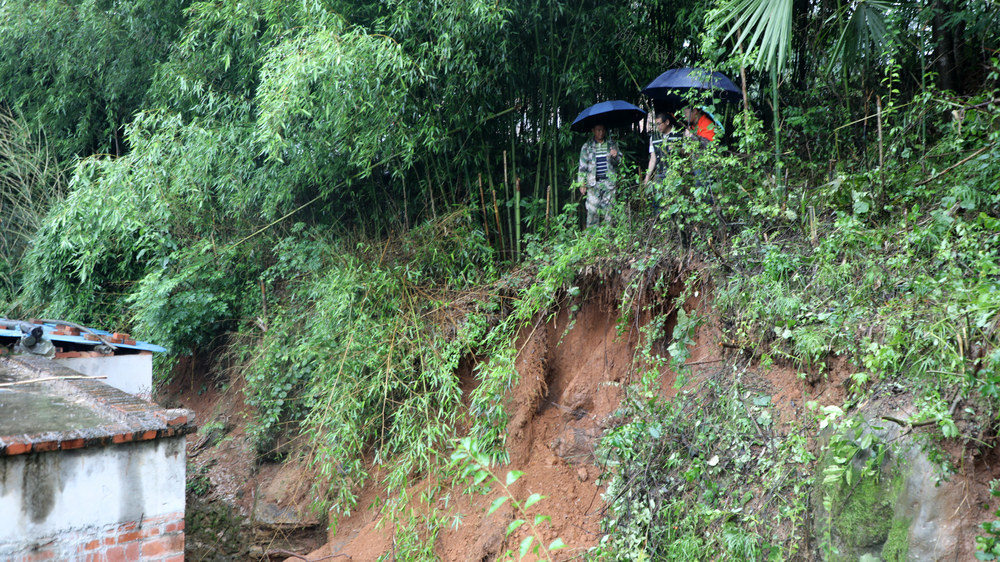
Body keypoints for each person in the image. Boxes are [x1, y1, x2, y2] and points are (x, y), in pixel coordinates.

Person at [576, 123, 621, 228]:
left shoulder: (612, 144)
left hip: (609, 183)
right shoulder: (587, 146)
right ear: (593, 130)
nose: (601, 133)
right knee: (592, 211)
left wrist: (615, 156)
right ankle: (592, 236)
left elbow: (619, 163)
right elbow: (582, 167)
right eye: (598, 130)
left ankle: (609, 236)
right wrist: (582, 183)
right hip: (593, 183)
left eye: (603, 130)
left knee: (610, 212)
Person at [643, 111, 683, 187]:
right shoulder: (654, 138)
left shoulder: (679, 135)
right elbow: (653, 158)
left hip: (676, 174)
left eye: (659, 124)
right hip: (659, 174)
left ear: (667, 122)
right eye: (656, 125)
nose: (658, 127)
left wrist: (677, 148)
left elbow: (686, 153)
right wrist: (647, 177)